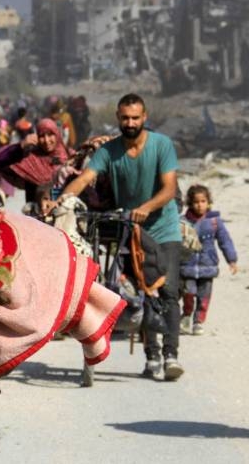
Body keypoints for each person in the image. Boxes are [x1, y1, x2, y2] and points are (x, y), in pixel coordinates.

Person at [56, 93, 185, 381]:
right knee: (142, 290)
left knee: (169, 290)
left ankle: (171, 354)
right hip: (130, 230)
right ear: (118, 118)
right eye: (125, 118)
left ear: (144, 118)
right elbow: (85, 178)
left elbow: (168, 189)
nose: (130, 123)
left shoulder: (162, 146)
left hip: (164, 228)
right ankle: (152, 355)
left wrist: (145, 208)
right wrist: (62, 200)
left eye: (135, 118)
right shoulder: (109, 151)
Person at [180, 184, 238, 335]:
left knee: (204, 295)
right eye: (196, 202)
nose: (200, 205)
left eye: (203, 201)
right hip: (188, 266)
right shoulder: (183, 221)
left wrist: (231, 260)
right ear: (190, 203)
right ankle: (186, 315)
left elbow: (225, 240)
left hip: (208, 265)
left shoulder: (214, 221)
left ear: (208, 202)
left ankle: (198, 321)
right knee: (189, 293)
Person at [0, 118, 70, 206]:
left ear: (57, 134)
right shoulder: (31, 160)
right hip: (35, 216)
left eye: (50, 134)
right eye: (42, 136)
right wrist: (20, 146)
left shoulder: (69, 157)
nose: (46, 140)